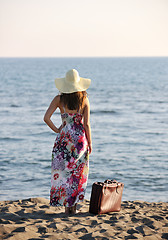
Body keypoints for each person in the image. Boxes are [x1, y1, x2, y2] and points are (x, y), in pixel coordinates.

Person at [44, 69, 92, 215]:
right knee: (77, 173)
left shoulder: (59, 99)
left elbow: (46, 118)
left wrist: (58, 130)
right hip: (79, 141)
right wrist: (90, 143)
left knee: (64, 173)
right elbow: (87, 124)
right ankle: (74, 207)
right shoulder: (84, 99)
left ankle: (66, 207)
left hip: (64, 140)